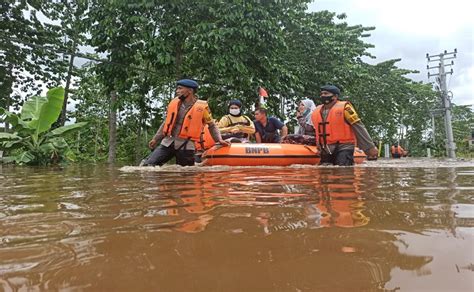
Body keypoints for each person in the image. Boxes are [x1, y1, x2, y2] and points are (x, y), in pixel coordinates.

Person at [142, 79, 229, 166]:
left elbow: (212, 125)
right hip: (168, 142)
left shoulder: (202, 108)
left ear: (190, 91)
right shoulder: (174, 103)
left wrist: (219, 140)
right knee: (148, 166)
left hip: (186, 145)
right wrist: (155, 139)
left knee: (185, 174)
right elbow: (166, 123)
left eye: (180, 89)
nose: (177, 91)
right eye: (177, 89)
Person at [311, 85, 379, 166]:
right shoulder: (317, 111)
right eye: (321, 94)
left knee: (343, 170)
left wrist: (369, 147)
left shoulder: (345, 108)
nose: (322, 96)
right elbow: (317, 132)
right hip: (326, 148)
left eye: (326, 94)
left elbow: (358, 127)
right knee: (325, 173)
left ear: (335, 96)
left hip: (344, 146)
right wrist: (318, 147)